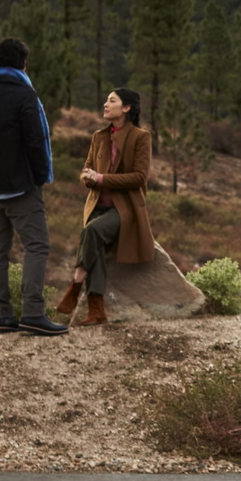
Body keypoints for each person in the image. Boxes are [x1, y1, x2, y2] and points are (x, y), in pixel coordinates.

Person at [0, 37, 69, 336]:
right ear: (23, 64)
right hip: (21, 187)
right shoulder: (26, 96)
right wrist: (37, 178)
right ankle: (34, 312)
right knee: (37, 245)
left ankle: (4, 316)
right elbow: (37, 142)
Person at [55, 88, 154, 327]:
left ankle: (76, 283)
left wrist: (101, 179)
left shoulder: (140, 137)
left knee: (91, 232)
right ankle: (97, 311)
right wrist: (88, 178)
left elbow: (139, 177)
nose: (105, 104)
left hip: (125, 210)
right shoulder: (99, 136)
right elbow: (86, 169)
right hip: (97, 206)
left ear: (126, 107)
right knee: (94, 241)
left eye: (112, 101)